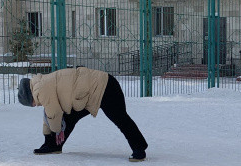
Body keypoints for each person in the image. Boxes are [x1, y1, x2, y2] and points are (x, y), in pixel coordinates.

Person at [17, 67, 148, 160]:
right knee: (69, 118)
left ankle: (139, 148)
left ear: (30, 97)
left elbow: (54, 114)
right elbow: (48, 115)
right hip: (86, 94)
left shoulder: (41, 90)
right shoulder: (41, 84)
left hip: (104, 87)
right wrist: (47, 138)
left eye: (31, 104)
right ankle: (53, 146)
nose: (34, 106)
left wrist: (56, 132)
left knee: (120, 119)